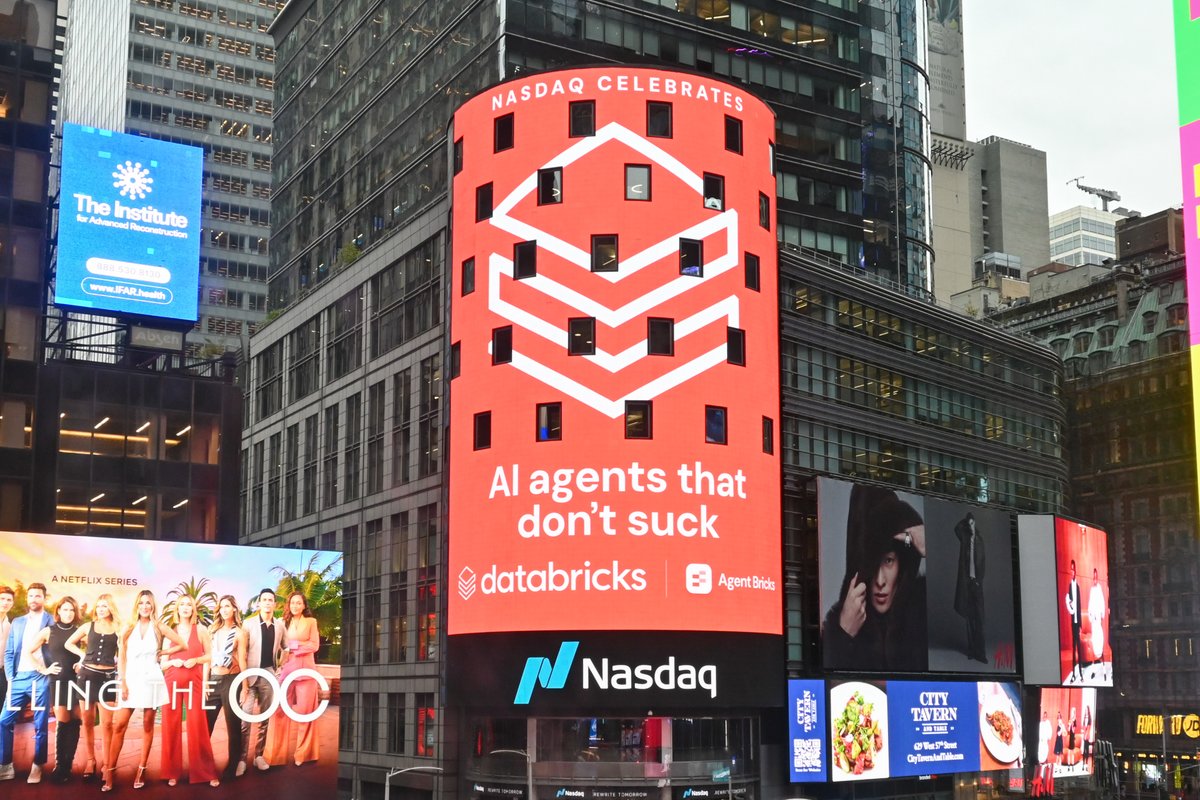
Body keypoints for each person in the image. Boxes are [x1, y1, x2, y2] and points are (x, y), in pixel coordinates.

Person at [823, 484, 927, 671]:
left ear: (902, 564)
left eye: (888, 561)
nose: (880, 581)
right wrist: (844, 634)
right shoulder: (839, 625)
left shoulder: (923, 609)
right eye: (871, 564)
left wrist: (928, 543)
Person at [105, 590, 185, 792]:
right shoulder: (128, 628)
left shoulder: (158, 627)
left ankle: (142, 768)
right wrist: (122, 682)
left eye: (148, 603)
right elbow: (122, 657)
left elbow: (182, 644)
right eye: (141, 603)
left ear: (153, 606)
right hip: (131, 679)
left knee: (148, 725)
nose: (145, 606)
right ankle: (111, 769)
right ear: (137, 606)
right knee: (119, 725)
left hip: (152, 679)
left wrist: (164, 652)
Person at [160, 595, 220, 787]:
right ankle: (172, 772)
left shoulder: (201, 630)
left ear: (193, 609)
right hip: (171, 682)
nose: (186, 608)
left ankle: (205, 772)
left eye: (189, 605)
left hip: (195, 681)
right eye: (182, 605)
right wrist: (172, 661)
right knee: (170, 724)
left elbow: (210, 656)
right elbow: (162, 662)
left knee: (197, 724)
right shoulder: (170, 631)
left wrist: (197, 661)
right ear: (177, 609)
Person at [64, 593, 121, 786]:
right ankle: (91, 760)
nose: (101, 609)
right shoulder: (87, 627)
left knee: (107, 724)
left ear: (111, 608)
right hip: (86, 677)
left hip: (108, 680)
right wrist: (82, 655)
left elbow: (124, 653)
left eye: (105, 606)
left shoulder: (119, 629)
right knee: (87, 721)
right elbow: (68, 643)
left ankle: (107, 764)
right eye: (99, 606)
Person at [0, 582, 53, 783]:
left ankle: (37, 766)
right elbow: (10, 651)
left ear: (44, 599)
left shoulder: (52, 622)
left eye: (38, 596)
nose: (33, 599)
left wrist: (48, 673)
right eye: (30, 596)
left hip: (40, 678)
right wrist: (10, 678)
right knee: (3, 721)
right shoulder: (18, 622)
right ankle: (5, 765)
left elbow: (55, 652)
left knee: (40, 724)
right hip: (18, 678)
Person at [26, 596, 82, 783]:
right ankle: (60, 766)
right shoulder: (49, 631)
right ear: (58, 611)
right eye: (65, 609)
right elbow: (29, 651)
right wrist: (43, 669)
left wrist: (82, 662)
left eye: (71, 610)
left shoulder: (79, 631)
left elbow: (87, 654)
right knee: (63, 721)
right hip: (58, 680)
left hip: (76, 681)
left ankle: (68, 765)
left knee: (75, 721)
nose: (68, 613)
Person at [264, 591, 321, 767]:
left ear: (304, 605)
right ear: (288, 605)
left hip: (306, 672)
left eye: (299, 603)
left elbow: (315, 645)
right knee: (279, 710)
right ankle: (275, 755)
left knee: (305, 713)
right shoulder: (281, 622)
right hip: (286, 671)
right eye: (292, 603)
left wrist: (293, 646)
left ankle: (303, 754)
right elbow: (279, 646)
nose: (295, 606)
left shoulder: (311, 622)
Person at [237, 588, 285, 776]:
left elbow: (286, 647)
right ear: (259, 603)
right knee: (245, 718)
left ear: (274, 604)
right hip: (249, 675)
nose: (267, 602)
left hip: (268, 675)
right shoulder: (248, 624)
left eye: (270, 600)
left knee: (265, 718)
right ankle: (242, 759)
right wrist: (243, 683)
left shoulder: (280, 626)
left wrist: (280, 665)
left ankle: (258, 756)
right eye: (264, 599)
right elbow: (241, 654)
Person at [206, 595, 245, 778]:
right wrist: (205, 681)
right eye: (221, 607)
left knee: (233, 725)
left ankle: (232, 767)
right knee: (206, 725)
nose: (224, 610)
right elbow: (207, 658)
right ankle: (203, 764)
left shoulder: (240, 632)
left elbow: (243, 660)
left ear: (234, 609)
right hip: (213, 679)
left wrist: (244, 686)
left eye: (228, 606)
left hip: (232, 680)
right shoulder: (212, 630)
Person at [953, 512, 987, 663]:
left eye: (973, 523)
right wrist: (966, 520)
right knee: (969, 618)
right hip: (967, 583)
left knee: (979, 619)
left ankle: (981, 653)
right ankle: (971, 651)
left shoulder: (979, 540)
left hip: (976, 584)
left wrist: (979, 580)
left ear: (976, 524)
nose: (971, 526)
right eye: (969, 524)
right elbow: (956, 528)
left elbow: (983, 563)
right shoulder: (965, 539)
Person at [1064, 560, 1084, 682]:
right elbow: (1069, 603)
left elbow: (1079, 605)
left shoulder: (1077, 586)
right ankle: (1073, 674)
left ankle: (1081, 674)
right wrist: (1069, 603)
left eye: (1073, 569)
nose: (1072, 572)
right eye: (1070, 570)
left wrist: (1081, 624)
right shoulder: (1069, 586)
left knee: (1079, 648)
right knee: (1073, 648)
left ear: (1075, 571)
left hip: (1078, 622)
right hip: (1072, 622)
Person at [1088, 568, 1106, 665]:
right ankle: (1095, 656)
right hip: (1093, 618)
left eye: (1096, 577)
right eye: (1093, 577)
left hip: (1098, 617)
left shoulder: (1099, 588)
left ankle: (1100, 653)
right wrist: (1090, 614)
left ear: (1097, 578)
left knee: (1099, 635)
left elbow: (1102, 602)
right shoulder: (1091, 589)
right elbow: (1090, 603)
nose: (1095, 579)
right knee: (1094, 635)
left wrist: (1101, 614)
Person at [0, 586, 13, 726]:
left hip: (3, 674)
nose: (5, 602)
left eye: (8, 600)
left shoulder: (10, 625)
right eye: (2, 599)